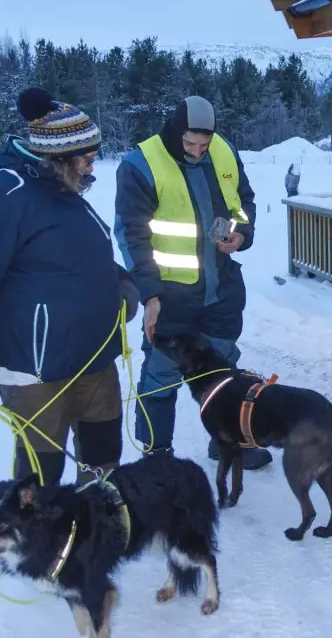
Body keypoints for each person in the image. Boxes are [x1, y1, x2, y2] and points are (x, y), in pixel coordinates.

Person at [0, 87, 140, 487]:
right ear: (56, 157)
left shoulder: (67, 194)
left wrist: (120, 280)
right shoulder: (1, 195)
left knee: (103, 461)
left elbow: (77, 256)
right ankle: (41, 548)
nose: (91, 167)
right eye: (86, 158)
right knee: (40, 481)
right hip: (36, 373)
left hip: (94, 363)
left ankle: (95, 538)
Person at [113, 95, 271, 470]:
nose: (198, 152)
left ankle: (227, 441)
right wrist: (150, 294)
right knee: (161, 378)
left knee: (221, 372)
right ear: (174, 130)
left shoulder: (224, 152)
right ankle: (157, 458)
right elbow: (131, 234)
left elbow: (242, 202)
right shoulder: (141, 164)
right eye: (189, 144)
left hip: (221, 292)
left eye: (204, 144)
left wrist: (239, 234)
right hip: (171, 296)